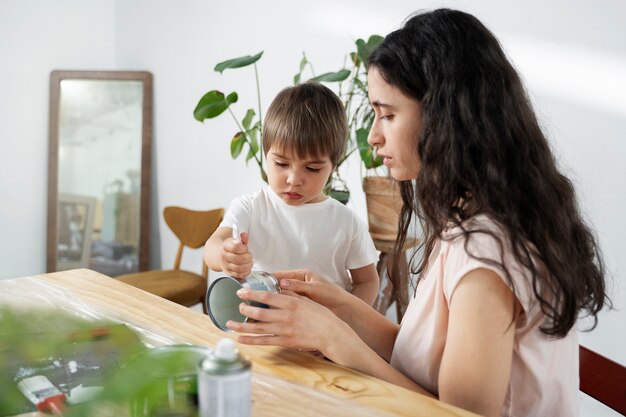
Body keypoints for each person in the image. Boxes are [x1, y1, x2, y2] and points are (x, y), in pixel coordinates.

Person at [223, 9, 609, 417]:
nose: (373, 136)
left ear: (444, 116)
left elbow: (458, 414)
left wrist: (335, 339)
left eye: (387, 115)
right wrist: (340, 306)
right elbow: (421, 361)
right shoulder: (469, 218)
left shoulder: (486, 253)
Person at [203, 82, 380, 305]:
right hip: (262, 327)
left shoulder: (346, 222)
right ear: (266, 155)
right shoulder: (250, 207)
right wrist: (223, 255)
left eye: (312, 168)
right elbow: (212, 247)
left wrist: (347, 318)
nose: (294, 180)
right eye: (281, 163)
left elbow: (367, 282)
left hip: (322, 333)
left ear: (333, 166)